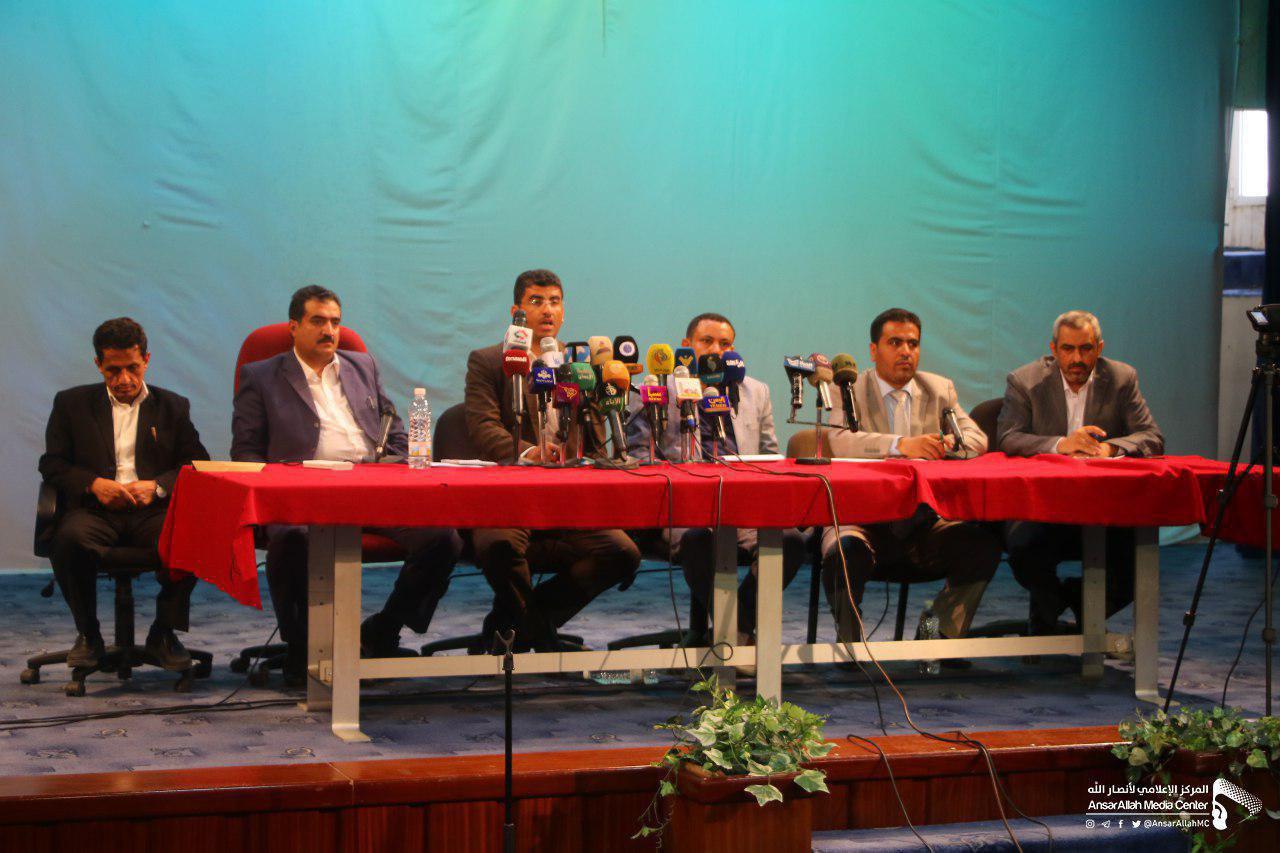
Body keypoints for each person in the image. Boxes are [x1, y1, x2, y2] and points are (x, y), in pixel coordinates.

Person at [232, 285, 462, 680]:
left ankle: (383, 630)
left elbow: (395, 433)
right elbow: (246, 452)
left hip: (369, 488)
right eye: (318, 321)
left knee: (443, 538)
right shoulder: (262, 376)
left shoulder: (362, 366)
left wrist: (395, 469)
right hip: (302, 495)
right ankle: (302, 645)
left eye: (335, 322)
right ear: (294, 327)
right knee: (291, 539)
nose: (329, 331)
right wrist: (276, 493)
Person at [464, 269, 640, 651]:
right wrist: (531, 452)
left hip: (567, 498)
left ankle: (522, 625)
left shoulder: (577, 363)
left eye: (555, 302)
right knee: (498, 545)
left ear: (564, 311)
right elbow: (483, 426)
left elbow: (594, 437)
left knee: (622, 552)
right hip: (509, 499)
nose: (547, 310)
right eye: (536, 301)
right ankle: (535, 632)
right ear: (516, 312)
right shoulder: (489, 361)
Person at [820, 308, 1001, 650]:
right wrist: (901, 445)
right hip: (861, 519)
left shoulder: (939, 388)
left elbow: (977, 439)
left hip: (921, 523)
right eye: (895, 343)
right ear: (873, 350)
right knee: (843, 550)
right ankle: (852, 644)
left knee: (982, 547)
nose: (906, 351)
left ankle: (934, 638)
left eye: (913, 344)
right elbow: (840, 440)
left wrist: (948, 444)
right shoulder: (848, 388)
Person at [39, 317, 209, 671]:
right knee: (69, 539)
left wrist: (158, 486)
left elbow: (196, 464)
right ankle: (88, 635)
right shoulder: (71, 404)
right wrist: (93, 484)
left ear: (146, 360)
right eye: (113, 370)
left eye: (132, 368)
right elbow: (52, 464)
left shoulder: (172, 406)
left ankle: (163, 632)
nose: (124, 379)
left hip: (151, 511)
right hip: (94, 511)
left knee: (193, 536)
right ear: (98, 364)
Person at [625, 311, 805, 643]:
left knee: (791, 540)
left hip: (741, 507)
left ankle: (735, 626)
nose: (716, 350)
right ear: (686, 346)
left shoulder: (755, 391)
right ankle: (734, 630)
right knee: (699, 540)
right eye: (706, 341)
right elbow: (638, 457)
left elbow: (769, 456)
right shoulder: (655, 390)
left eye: (725, 344)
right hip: (681, 509)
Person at [996, 310, 1164, 634]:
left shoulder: (1121, 378)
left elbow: (1152, 436)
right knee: (1024, 548)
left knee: (1140, 554)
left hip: (1103, 506)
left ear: (1099, 348)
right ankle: (1052, 607)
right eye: (1068, 349)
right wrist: (1062, 444)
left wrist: (1110, 448)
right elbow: (1008, 437)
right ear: (1053, 349)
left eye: (1085, 349)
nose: (1076, 358)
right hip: (1044, 504)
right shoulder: (1025, 380)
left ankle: (1072, 604)